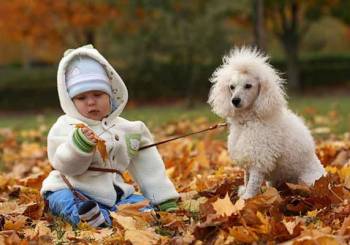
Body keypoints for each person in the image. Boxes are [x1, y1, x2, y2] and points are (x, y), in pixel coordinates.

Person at [40, 44, 179, 227]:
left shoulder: (129, 129)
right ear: (70, 100)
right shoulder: (66, 126)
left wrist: (163, 197)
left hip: (114, 193)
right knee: (62, 199)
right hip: (71, 187)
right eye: (81, 98)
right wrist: (79, 145)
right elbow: (66, 166)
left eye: (97, 94)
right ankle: (91, 219)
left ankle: (134, 215)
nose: (91, 102)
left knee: (138, 204)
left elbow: (149, 165)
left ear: (111, 95)